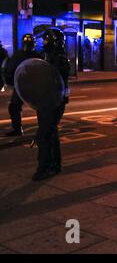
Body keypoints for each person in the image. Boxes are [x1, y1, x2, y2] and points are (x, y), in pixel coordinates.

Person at [32, 28, 70, 182]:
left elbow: (54, 82)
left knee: (44, 135)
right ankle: (55, 164)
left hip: (53, 102)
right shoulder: (49, 57)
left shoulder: (59, 60)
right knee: (51, 133)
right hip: (46, 100)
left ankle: (44, 167)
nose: (44, 43)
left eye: (46, 40)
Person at [3, 34, 42, 137]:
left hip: (28, 85)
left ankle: (18, 129)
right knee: (14, 107)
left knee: (15, 107)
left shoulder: (32, 55)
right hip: (25, 85)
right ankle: (19, 129)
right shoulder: (36, 55)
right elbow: (11, 69)